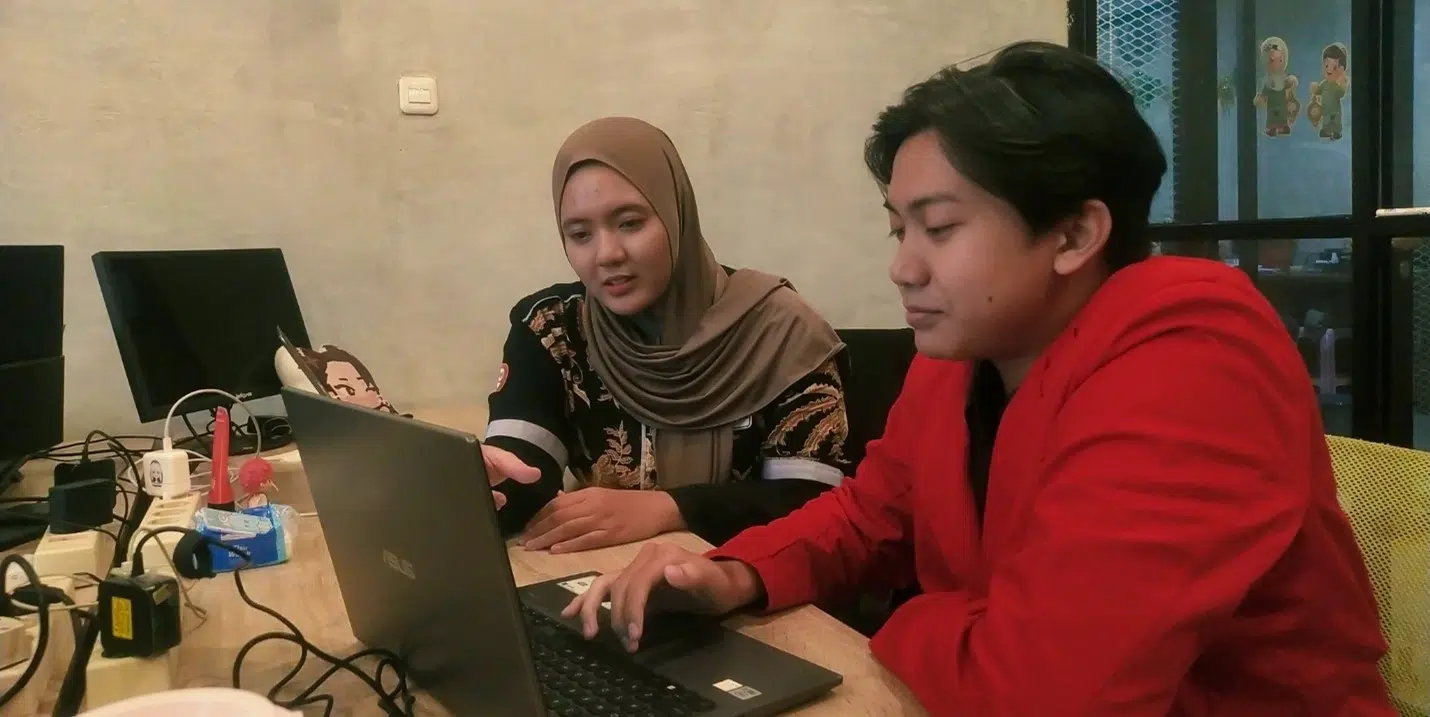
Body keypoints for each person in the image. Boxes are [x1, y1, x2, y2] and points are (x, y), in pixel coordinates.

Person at [552, 42, 1396, 715]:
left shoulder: (1194, 354)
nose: (903, 268)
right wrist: (734, 573)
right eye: (899, 230)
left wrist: (915, 616)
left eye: (940, 228)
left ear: (1075, 234)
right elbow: (872, 514)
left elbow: (1044, 694)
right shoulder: (965, 354)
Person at [481, 116, 851, 554]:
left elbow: (813, 504)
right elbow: (524, 469)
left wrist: (671, 508)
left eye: (630, 223)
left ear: (676, 215)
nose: (607, 254)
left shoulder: (782, 331)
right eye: (580, 234)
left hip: (750, 578)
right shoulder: (553, 328)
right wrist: (486, 482)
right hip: (607, 574)